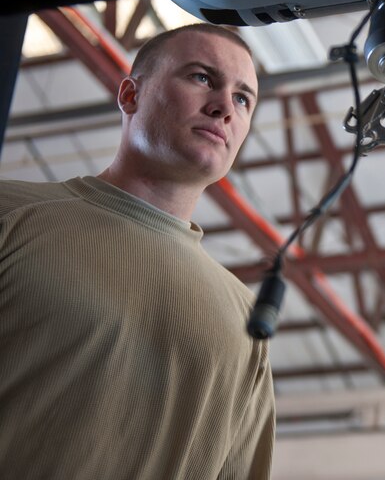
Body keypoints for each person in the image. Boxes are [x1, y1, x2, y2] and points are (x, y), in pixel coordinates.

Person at [0, 23, 276, 479]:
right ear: (130, 96)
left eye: (243, 98)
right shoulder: (10, 214)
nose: (225, 107)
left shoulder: (248, 320)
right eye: (202, 77)